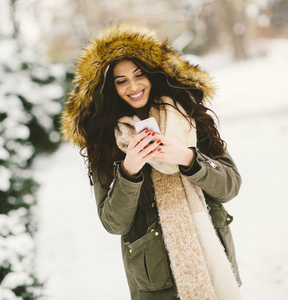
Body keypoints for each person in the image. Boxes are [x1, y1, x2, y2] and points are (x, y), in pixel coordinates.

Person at [61, 23, 242, 300]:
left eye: (139, 74)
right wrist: (129, 171)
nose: (133, 86)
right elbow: (114, 223)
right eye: (121, 81)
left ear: (153, 74)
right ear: (109, 89)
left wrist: (188, 159)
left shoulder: (189, 116)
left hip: (214, 265)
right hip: (157, 284)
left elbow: (229, 186)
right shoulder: (105, 140)